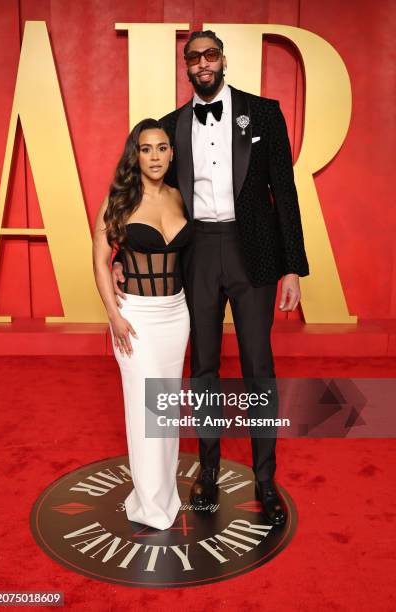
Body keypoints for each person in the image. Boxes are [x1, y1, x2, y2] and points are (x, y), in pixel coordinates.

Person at [112, 31, 310, 526]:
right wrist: (121, 255)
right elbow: (147, 194)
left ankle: (265, 480)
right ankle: (208, 470)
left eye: (210, 55)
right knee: (202, 368)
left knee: (258, 366)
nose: (202, 64)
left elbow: (283, 192)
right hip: (197, 253)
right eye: (193, 57)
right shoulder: (174, 124)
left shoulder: (263, 112)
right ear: (186, 66)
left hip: (254, 253)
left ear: (223, 59)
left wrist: (293, 266)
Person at [92, 118, 192, 530]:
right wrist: (114, 316)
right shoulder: (120, 198)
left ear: (171, 153)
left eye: (162, 148)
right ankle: (151, 508)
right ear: (136, 154)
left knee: (165, 410)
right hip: (135, 316)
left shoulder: (181, 196)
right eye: (147, 148)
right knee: (144, 410)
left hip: (176, 313)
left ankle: (163, 495)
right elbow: (100, 258)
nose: (155, 156)